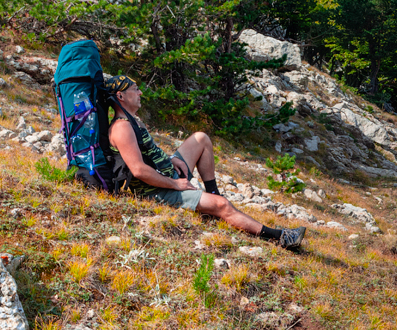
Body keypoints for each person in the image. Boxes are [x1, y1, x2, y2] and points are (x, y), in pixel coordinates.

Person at [101, 75, 305, 249]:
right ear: (120, 96)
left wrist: (171, 159)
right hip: (155, 190)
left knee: (201, 138)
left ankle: (212, 195)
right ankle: (280, 238)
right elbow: (138, 170)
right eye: (135, 90)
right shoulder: (122, 128)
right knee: (223, 205)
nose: (140, 93)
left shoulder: (133, 120)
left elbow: (150, 151)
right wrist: (175, 184)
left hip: (168, 175)